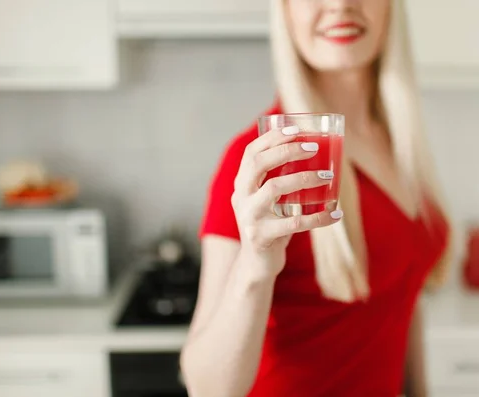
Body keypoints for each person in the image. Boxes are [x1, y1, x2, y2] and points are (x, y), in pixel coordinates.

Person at [180, 0, 453, 396]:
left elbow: (401, 299)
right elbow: (206, 387)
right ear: (286, 12)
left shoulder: (401, 146)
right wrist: (255, 266)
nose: (341, 5)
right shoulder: (263, 163)